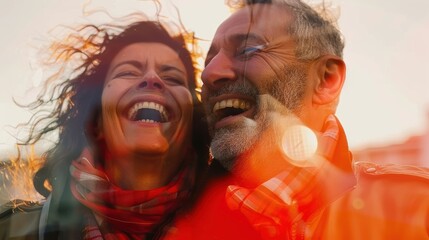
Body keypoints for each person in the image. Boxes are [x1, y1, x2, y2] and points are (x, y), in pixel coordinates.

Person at [166, 0, 429, 239]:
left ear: (326, 80)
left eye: (248, 49)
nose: (209, 73)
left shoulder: (417, 209)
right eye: (209, 59)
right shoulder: (170, 225)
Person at [0, 14, 209, 239]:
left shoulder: (244, 225)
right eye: (128, 72)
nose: (152, 78)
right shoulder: (10, 230)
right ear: (96, 117)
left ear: (193, 118)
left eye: (174, 78)